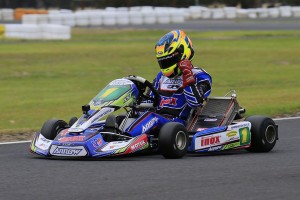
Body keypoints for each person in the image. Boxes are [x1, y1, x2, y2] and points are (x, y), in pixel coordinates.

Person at [125, 30, 212, 137]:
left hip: (177, 124)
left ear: (182, 55)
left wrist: (187, 76)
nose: (165, 65)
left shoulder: (200, 76)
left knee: (152, 117)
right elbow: (152, 101)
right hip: (156, 119)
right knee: (125, 117)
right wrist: (137, 101)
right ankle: (111, 134)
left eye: (168, 61)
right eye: (163, 62)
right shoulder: (161, 76)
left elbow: (195, 103)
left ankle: (126, 138)